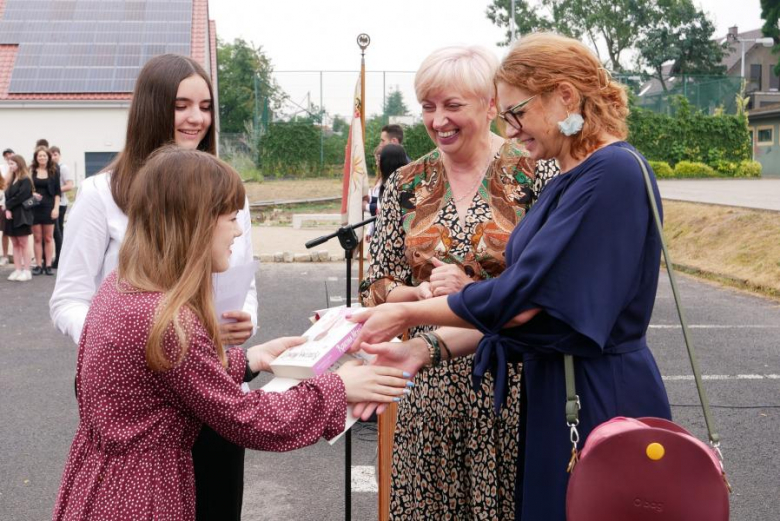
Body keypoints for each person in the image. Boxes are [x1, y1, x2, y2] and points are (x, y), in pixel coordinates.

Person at [350, 33, 672, 521]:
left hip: (591, 393)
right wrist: (421, 348)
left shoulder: (611, 173)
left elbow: (520, 301)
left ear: (564, 96)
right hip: (554, 386)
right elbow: (519, 312)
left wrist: (410, 311)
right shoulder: (575, 175)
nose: (512, 127)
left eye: (517, 112)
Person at [51, 146, 411, 521]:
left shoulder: (121, 287)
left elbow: (165, 377)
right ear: (195, 222)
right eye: (230, 217)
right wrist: (337, 387)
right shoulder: (168, 321)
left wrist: (250, 360)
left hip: (99, 484)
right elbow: (246, 418)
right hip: (144, 496)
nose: (239, 231)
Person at [49, 54, 257, 521]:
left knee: (216, 504)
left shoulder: (223, 190)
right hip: (145, 402)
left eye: (205, 106)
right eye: (181, 105)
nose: (196, 118)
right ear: (151, 109)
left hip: (214, 376)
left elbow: (245, 279)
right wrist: (137, 349)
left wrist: (246, 322)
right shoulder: (101, 194)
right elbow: (68, 299)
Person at [359, 45, 558, 520]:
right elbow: (377, 285)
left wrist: (471, 287)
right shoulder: (406, 182)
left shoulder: (538, 173)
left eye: (452, 105)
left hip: (512, 383)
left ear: (490, 105)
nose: (437, 120)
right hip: (424, 387)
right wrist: (417, 294)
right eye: (428, 106)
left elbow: (550, 283)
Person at [29, 146, 60, 276]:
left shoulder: (54, 171)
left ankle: (48, 265)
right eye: (39, 156)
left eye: (44, 155)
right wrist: (32, 193)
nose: (42, 158)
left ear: (48, 157)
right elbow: (26, 188)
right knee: (37, 238)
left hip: (49, 207)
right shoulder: (31, 171)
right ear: (36, 158)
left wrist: (56, 208)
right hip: (34, 207)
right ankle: (38, 265)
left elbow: (58, 192)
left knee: (48, 238)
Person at [3, 154, 34, 281]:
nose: (10, 166)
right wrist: (7, 209)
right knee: (15, 243)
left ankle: (27, 270)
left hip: (22, 215)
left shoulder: (25, 179)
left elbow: (22, 196)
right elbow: (7, 196)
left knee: (23, 243)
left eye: (12, 164)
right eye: (9, 164)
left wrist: (8, 207)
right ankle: (17, 269)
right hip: (10, 215)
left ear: (19, 164)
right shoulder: (10, 179)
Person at [50, 146, 74, 269]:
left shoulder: (63, 168)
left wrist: (54, 191)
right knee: (52, 234)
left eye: (55, 154)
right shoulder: (48, 168)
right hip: (50, 204)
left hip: (61, 204)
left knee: (58, 232)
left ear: (59, 155)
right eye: (51, 155)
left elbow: (70, 185)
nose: (53, 157)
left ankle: (60, 260)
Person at [0, 148, 13, 266]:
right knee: (4, 231)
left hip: (14, 204)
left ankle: (16, 255)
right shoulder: (2, 168)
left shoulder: (19, 168)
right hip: (2, 203)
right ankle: (4, 255)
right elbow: (3, 184)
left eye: (10, 154)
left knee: (14, 232)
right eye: (6, 155)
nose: (8, 156)